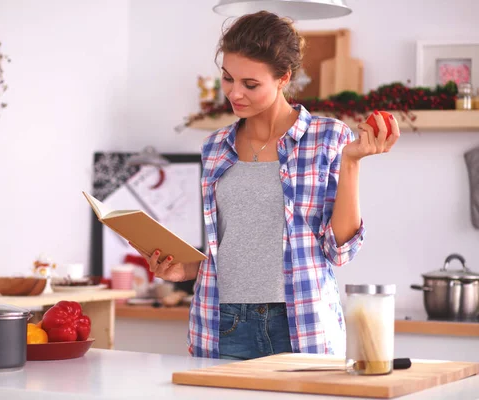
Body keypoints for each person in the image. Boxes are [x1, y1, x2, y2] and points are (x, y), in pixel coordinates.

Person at [130, 11, 400, 360]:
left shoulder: (328, 138)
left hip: (299, 323)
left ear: (283, 78)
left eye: (250, 84)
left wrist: (351, 162)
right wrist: (184, 269)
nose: (234, 93)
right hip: (221, 322)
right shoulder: (214, 148)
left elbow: (339, 251)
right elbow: (229, 246)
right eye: (228, 79)